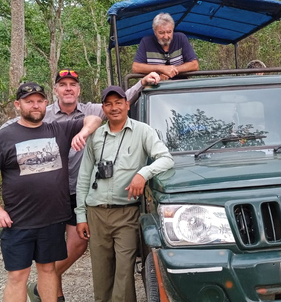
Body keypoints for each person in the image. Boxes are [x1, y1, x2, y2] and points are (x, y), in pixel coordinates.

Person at [3, 69, 162, 302]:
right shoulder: (39, 117)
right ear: (55, 91)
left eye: (72, 85)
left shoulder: (87, 113)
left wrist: (142, 82)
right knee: (19, 273)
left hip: (74, 193)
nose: (68, 88)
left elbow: (119, 101)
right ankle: (54, 294)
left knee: (69, 250)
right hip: (32, 206)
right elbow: (11, 132)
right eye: (63, 85)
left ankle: (44, 290)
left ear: (78, 89)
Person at [0, 82, 102, 302]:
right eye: (29, 102)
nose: (35, 106)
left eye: (39, 101)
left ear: (46, 103)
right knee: (18, 275)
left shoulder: (60, 129)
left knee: (48, 270)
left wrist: (82, 133)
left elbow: (94, 119)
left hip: (52, 219)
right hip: (19, 221)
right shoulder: (5, 136)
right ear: (18, 105)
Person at [75, 85, 174, 302]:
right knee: (101, 273)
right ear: (103, 108)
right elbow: (84, 176)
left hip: (126, 213)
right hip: (96, 212)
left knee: (124, 271)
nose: (114, 108)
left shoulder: (142, 131)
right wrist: (81, 216)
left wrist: (143, 174)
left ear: (127, 105)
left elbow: (166, 158)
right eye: (108, 104)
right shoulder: (96, 135)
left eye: (118, 102)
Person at [132, 12, 199, 80]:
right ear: (155, 32)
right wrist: (161, 68)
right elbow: (136, 67)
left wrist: (173, 70)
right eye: (161, 33)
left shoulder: (181, 38)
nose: (166, 36)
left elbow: (194, 65)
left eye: (169, 32)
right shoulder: (146, 42)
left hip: (181, 86)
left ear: (173, 30)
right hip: (155, 86)